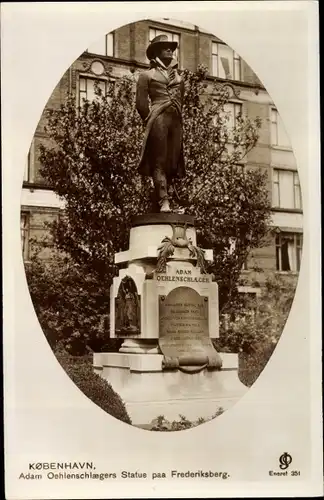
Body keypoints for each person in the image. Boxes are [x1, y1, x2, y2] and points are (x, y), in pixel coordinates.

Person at [136, 34, 185, 213]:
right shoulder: (146, 75)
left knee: (173, 164)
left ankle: (165, 199)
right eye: (165, 47)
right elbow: (141, 105)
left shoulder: (179, 78)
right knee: (159, 162)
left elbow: (182, 101)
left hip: (176, 122)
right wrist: (152, 119)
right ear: (155, 51)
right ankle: (164, 201)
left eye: (171, 48)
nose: (170, 50)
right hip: (158, 119)